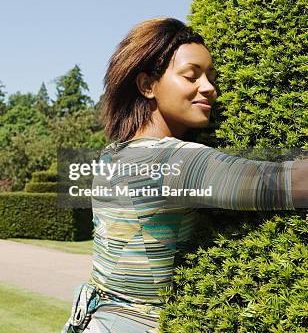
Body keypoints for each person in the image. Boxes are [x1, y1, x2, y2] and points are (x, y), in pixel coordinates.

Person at [60, 17, 307, 333]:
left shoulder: (114, 155)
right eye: (191, 76)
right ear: (148, 85)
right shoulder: (174, 161)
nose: (210, 88)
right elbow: (289, 183)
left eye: (211, 77)